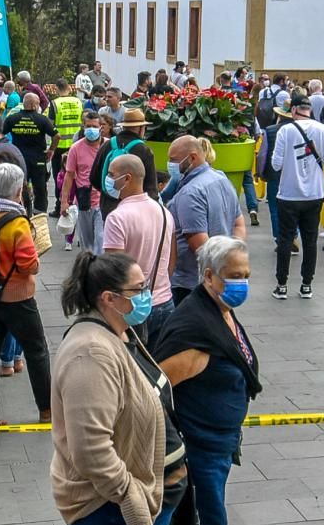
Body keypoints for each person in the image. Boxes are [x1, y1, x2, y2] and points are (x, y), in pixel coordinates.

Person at [53, 250, 183, 525]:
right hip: (111, 509)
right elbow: (91, 449)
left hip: (138, 502)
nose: (145, 296)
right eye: (138, 289)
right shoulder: (91, 352)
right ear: (109, 298)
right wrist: (131, 498)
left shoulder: (119, 333)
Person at [154, 237, 259, 525]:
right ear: (210, 276)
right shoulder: (194, 329)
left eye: (247, 276)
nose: (242, 284)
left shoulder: (220, 310)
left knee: (182, 521)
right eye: (235, 276)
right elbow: (154, 389)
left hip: (215, 442)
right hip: (197, 450)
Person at [0, 163, 51, 429]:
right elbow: (29, 265)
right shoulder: (18, 224)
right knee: (37, 351)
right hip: (17, 298)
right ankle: (47, 411)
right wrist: (38, 259)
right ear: (19, 191)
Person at [270, 93, 324, 298]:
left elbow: (276, 164)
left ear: (293, 110)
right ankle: (306, 285)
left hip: (288, 195)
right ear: (310, 110)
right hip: (314, 195)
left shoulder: (285, 130)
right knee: (310, 241)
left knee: (285, 239)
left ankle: (281, 285)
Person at [102, 154, 176, 346]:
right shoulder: (164, 212)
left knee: (133, 371)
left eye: (111, 174)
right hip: (165, 302)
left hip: (132, 308)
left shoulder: (117, 218)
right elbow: (171, 260)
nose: (107, 179)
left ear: (127, 178)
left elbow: (113, 269)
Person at [166, 137, 246, 305]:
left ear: (192, 158)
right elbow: (239, 224)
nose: (169, 164)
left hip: (191, 285)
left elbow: (200, 246)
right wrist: (230, 260)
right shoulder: (222, 179)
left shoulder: (191, 193)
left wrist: (216, 272)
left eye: (173, 159)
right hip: (216, 279)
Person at [91, 108, 160, 220]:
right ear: (141, 129)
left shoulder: (107, 145)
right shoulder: (144, 150)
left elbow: (94, 178)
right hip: (135, 213)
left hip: (108, 208)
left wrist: (112, 193)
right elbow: (151, 188)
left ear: (123, 126)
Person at [4, 92, 59, 214]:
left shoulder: (13, 118)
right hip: (38, 159)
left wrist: (6, 149)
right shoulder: (42, 119)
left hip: (18, 158)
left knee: (19, 186)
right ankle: (40, 212)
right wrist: (51, 150)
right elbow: (57, 135)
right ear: (35, 105)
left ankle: (21, 210)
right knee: (40, 188)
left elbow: (0, 133)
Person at [60, 111, 105, 251]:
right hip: (84, 201)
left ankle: (99, 270)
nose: (91, 129)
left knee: (101, 240)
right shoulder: (76, 148)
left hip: (103, 201)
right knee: (87, 246)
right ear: (83, 127)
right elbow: (69, 176)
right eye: (88, 126)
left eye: (94, 126)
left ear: (101, 128)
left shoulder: (108, 146)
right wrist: (64, 202)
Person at [49, 79, 85, 217]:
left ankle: (59, 206)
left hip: (60, 147)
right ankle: (75, 203)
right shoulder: (78, 102)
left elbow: (50, 125)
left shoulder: (55, 103)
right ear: (69, 88)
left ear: (57, 89)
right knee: (77, 176)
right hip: (76, 145)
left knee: (60, 177)